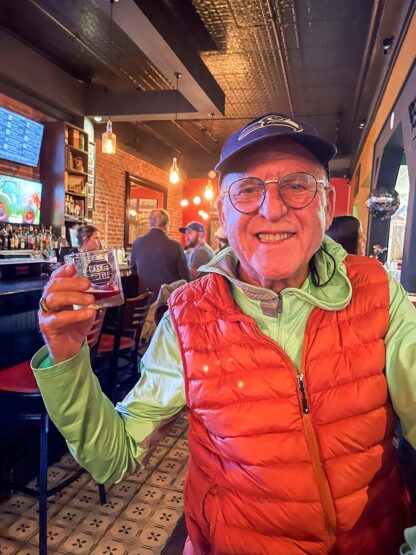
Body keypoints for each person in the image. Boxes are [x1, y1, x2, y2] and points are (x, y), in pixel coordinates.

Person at [34, 113, 416, 555]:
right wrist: (66, 355)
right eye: (248, 189)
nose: (272, 209)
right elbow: (112, 457)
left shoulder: (377, 291)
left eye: (296, 185)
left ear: (326, 204)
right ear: (222, 212)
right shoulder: (185, 317)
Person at [131, 208, 190, 301]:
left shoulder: (136, 243)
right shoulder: (175, 246)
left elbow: (134, 273)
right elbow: (185, 279)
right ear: (166, 226)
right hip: (167, 304)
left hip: (143, 303)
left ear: (149, 224)